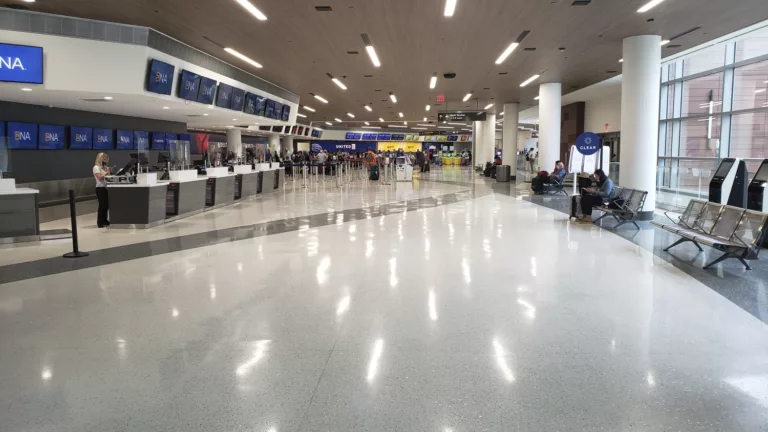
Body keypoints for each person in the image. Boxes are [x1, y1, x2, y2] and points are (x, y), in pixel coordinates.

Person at [93, 152, 111, 228]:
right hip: (100, 188)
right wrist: (106, 173)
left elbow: (108, 178)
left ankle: (105, 220)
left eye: (106, 159)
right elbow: (100, 178)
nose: (105, 161)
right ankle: (100, 222)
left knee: (106, 205)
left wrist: (108, 172)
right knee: (102, 205)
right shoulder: (96, 167)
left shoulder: (105, 167)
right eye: (104, 159)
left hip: (106, 188)